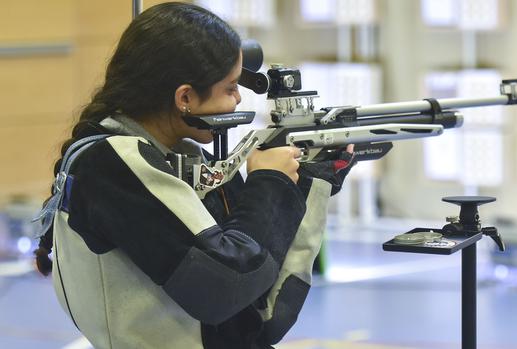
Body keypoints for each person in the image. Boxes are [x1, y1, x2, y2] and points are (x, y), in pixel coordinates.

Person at [33, 2, 354, 348]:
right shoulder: (113, 165)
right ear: (185, 97)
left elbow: (257, 315)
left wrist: (311, 179)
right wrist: (269, 183)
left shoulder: (174, 157)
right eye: (230, 87)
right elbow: (227, 287)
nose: (238, 99)